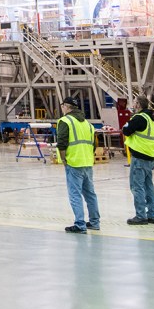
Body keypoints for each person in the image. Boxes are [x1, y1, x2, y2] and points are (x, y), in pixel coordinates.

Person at [56, 98, 100, 234]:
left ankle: (80, 224)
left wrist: (64, 160)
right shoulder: (87, 123)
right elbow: (95, 143)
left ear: (66, 107)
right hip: (87, 162)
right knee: (90, 194)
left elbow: (61, 142)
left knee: (75, 194)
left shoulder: (65, 121)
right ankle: (94, 222)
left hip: (74, 162)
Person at [123, 100, 154, 225]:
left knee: (136, 187)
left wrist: (128, 123)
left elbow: (126, 130)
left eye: (134, 102)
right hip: (150, 156)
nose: (132, 105)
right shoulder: (150, 119)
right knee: (148, 187)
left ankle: (141, 216)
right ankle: (152, 215)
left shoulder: (139, 118)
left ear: (138, 104)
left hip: (139, 157)